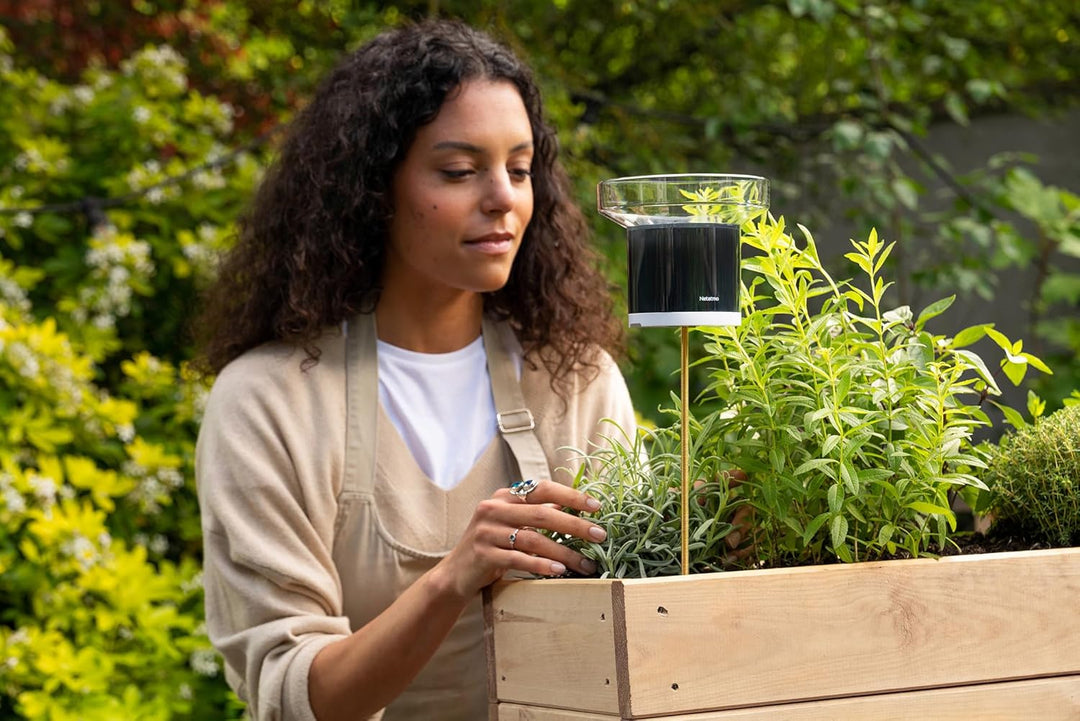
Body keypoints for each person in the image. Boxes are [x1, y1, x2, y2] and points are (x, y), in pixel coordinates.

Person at [193, 18, 636, 721]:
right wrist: (452, 578)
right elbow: (295, 697)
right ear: (373, 190)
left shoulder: (575, 382)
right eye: (460, 171)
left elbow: (636, 626)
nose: (503, 199)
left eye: (519, 170)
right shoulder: (269, 401)